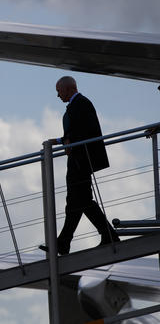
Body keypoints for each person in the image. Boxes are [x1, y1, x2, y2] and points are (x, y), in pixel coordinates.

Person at [41, 76, 119, 255]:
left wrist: (65, 141)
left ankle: (67, 242)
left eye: (59, 91)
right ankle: (67, 241)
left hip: (81, 160)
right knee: (77, 201)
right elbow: (77, 131)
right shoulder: (79, 104)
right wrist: (64, 141)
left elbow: (84, 131)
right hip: (78, 159)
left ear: (68, 89)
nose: (57, 95)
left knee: (78, 201)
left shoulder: (81, 104)